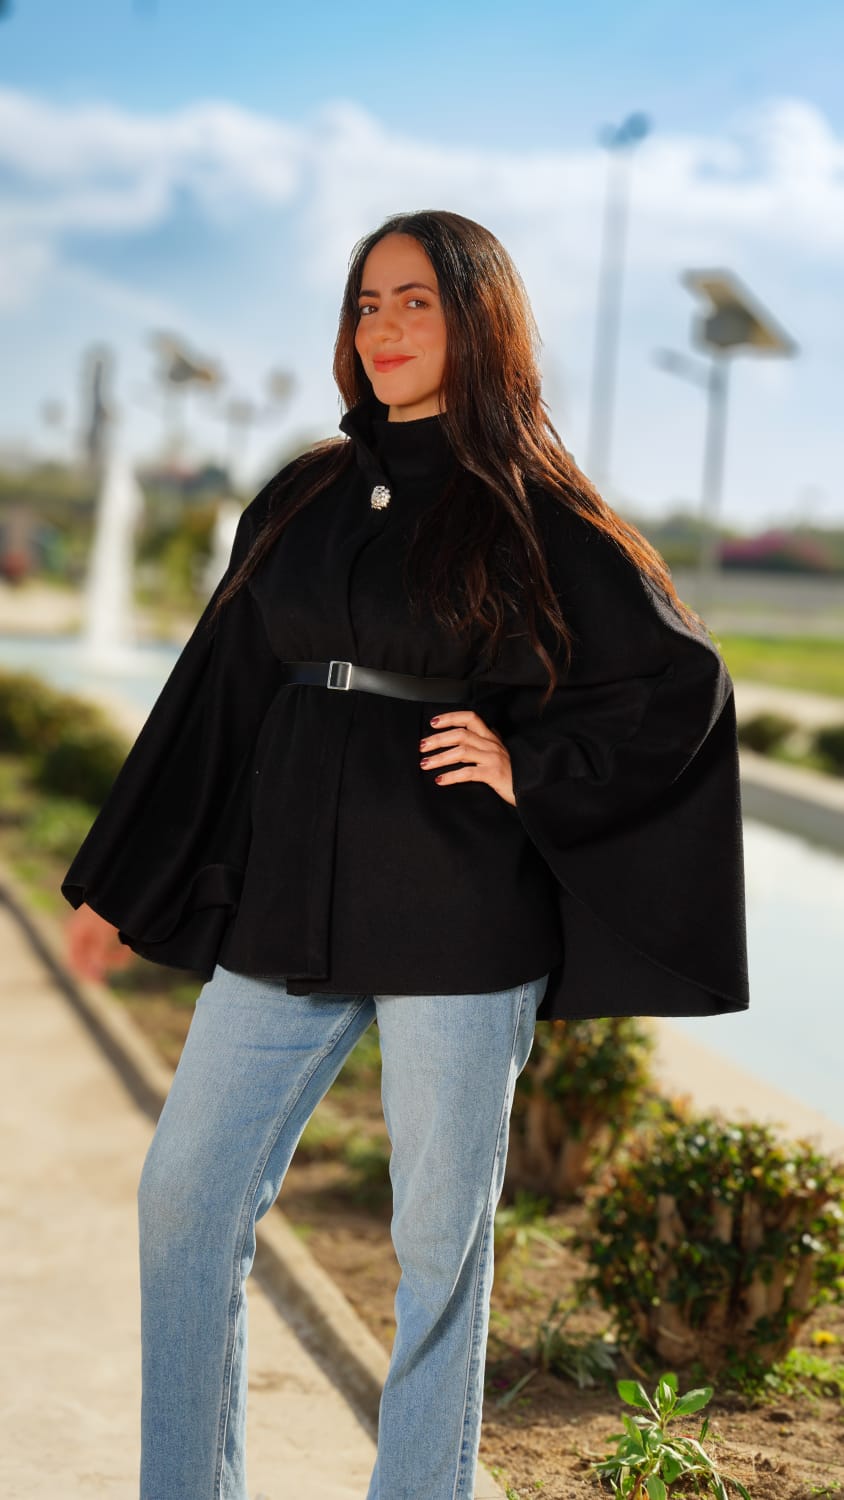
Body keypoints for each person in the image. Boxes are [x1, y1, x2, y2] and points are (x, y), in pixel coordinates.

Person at [62, 209, 749, 1500]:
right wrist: (116, 882)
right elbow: (216, 690)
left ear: (479, 319)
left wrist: (529, 763)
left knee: (439, 1246)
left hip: (458, 910)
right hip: (287, 909)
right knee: (186, 1197)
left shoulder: (534, 507)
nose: (382, 327)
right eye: (366, 303)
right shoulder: (301, 496)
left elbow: (681, 681)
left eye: (415, 300)